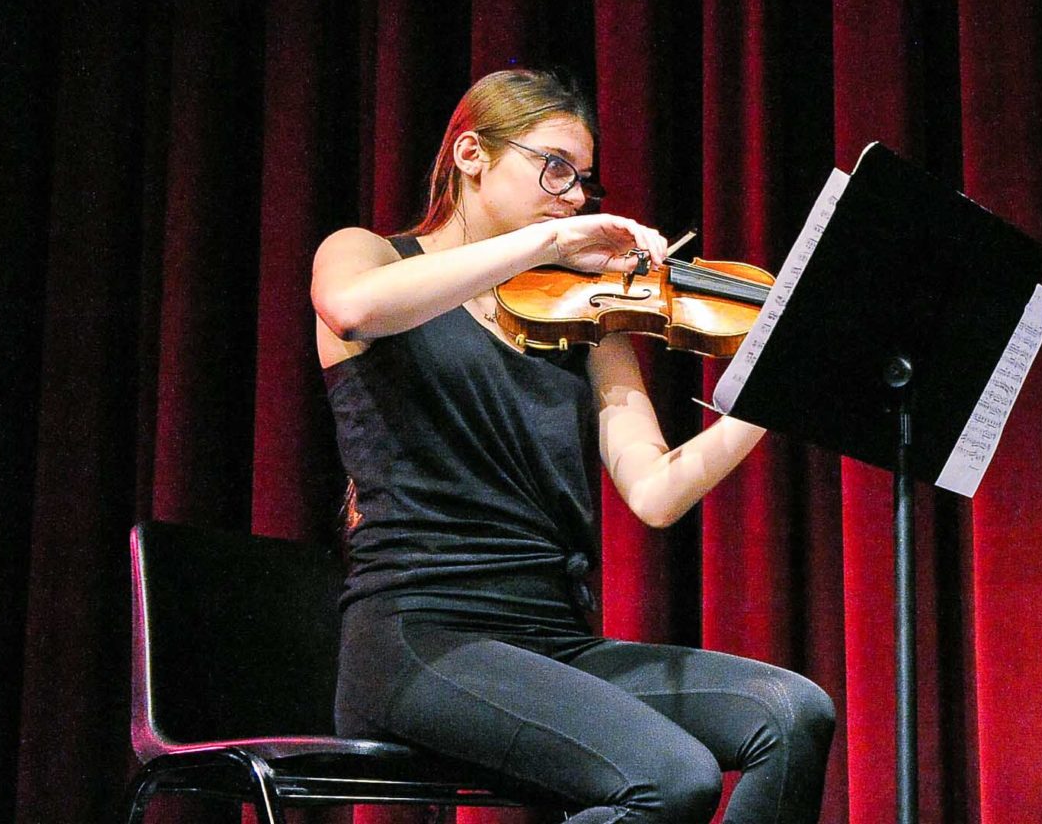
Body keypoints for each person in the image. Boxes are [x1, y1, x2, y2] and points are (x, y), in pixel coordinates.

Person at [312, 69, 836, 824]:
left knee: (790, 712)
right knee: (672, 778)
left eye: (582, 180)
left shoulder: (579, 314)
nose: (573, 195)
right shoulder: (369, 257)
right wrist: (548, 239)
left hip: (552, 640)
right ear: (471, 154)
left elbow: (655, 491)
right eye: (554, 166)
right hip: (419, 638)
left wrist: (766, 398)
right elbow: (351, 308)